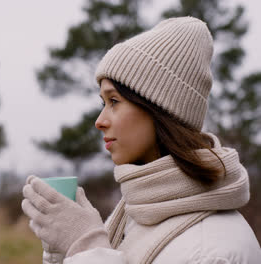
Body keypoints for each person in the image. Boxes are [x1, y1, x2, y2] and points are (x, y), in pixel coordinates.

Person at [21, 16, 261, 264]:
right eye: (103, 103)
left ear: (160, 109)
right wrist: (64, 251)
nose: (99, 121)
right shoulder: (137, 213)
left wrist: (87, 248)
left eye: (114, 101)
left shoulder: (213, 252)